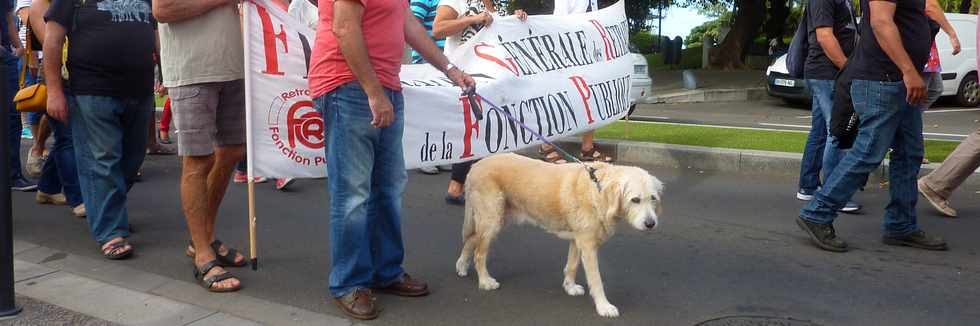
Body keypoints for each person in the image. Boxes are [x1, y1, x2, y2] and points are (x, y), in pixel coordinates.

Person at [309, 0, 474, 319]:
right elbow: (344, 28)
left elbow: (408, 23)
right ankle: (348, 283)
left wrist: (451, 70)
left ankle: (385, 271)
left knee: (387, 189)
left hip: (383, 85)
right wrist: (374, 92)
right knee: (353, 195)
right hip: (348, 86)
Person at [797, 0, 947, 252]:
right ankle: (817, 213)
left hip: (900, 80)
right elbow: (880, 21)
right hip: (883, 79)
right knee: (868, 152)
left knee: (909, 153)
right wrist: (909, 71)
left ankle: (901, 225)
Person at [44, 0, 155, 259]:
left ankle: (107, 210)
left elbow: (156, 32)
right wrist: (54, 90)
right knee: (103, 160)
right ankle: (110, 231)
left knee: (133, 159)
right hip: (92, 88)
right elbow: (52, 39)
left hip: (139, 88)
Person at [154, 0, 249, 292]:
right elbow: (163, 10)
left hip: (234, 65)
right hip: (192, 68)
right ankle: (203, 252)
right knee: (198, 159)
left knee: (232, 150)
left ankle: (203, 239)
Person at [433, 0, 526, 205]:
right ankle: (458, 188)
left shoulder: (500, 4)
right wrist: (474, 19)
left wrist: (517, 19)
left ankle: (469, 188)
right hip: (464, 74)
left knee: (492, 130)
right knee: (473, 129)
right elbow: (438, 29)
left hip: (493, 76)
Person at [795, 0, 861, 213]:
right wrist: (848, 70)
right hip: (827, 74)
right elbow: (825, 36)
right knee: (838, 132)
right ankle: (833, 195)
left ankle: (808, 186)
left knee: (821, 131)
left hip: (827, 74)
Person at [30, 0, 82, 218]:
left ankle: (47, 188)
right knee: (67, 137)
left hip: (77, 74)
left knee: (65, 136)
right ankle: (78, 197)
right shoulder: (40, 5)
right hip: (58, 77)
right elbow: (50, 41)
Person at [410, 0, 448, 175]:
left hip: (445, 61)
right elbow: (412, 22)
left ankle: (439, 156)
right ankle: (424, 156)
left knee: (441, 110)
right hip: (426, 62)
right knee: (427, 111)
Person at [2, 0, 35, 191]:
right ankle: (12, 175)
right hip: (5, 55)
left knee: (12, 117)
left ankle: (12, 174)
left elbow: (7, 17)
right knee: (10, 117)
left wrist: (19, 46)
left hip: (6, 54)